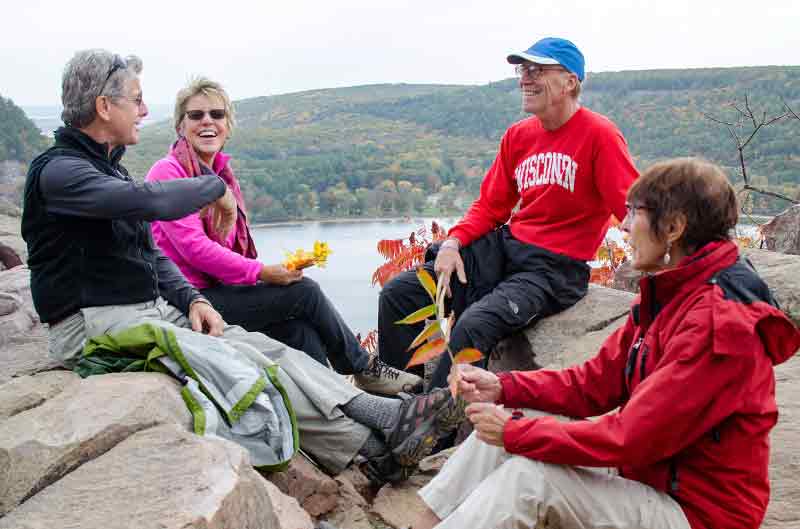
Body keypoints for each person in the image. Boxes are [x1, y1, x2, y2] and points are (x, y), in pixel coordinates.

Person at [21, 49, 458, 485]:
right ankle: (377, 445)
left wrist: (192, 300)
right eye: (135, 100)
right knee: (238, 368)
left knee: (265, 349)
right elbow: (152, 203)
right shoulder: (61, 173)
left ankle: (389, 423)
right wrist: (214, 187)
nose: (144, 110)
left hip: (144, 310)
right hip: (92, 326)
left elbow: (147, 255)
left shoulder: (104, 171)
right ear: (103, 106)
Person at [411, 158, 800, 529]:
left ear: (674, 228)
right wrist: (503, 386)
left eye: (634, 214)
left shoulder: (718, 326)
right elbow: (593, 385)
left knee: (531, 477)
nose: (625, 227)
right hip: (651, 477)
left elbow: (630, 437)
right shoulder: (674, 291)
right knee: (516, 411)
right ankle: (424, 522)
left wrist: (514, 433)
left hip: (695, 514)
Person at [378, 37, 639, 389]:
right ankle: (399, 398)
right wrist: (454, 243)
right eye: (523, 70)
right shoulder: (518, 136)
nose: (524, 79)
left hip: (554, 270)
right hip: (507, 248)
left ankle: (429, 425)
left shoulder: (600, 135)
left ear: (570, 81)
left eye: (537, 70)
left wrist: (672, 257)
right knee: (398, 294)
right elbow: (490, 206)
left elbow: (632, 207)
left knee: (473, 324)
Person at [145, 78, 421, 396]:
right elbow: (195, 249)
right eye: (196, 115)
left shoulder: (223, 179)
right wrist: (263, 273)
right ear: (181, 126)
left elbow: (230, 253)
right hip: (188, 300)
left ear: (228, 125)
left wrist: (264, 276)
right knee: (304, 293)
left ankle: (342, 402)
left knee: (300, 329)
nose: (208, 121)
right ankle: (362, 368)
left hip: (221, 292)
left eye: (217, 114)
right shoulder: (167, 173)